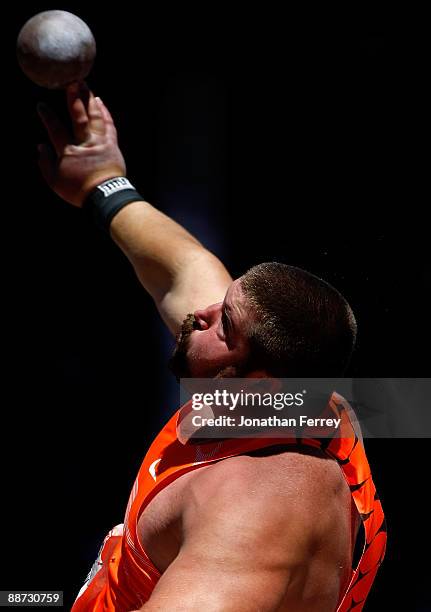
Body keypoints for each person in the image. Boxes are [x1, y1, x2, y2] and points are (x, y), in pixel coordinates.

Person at [37, 82, 386, 611]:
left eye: (226, 324)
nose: (200, 313)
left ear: (262, 380)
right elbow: (180, 269)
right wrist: (103, 182)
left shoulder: (258, 507)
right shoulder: (281, 398)